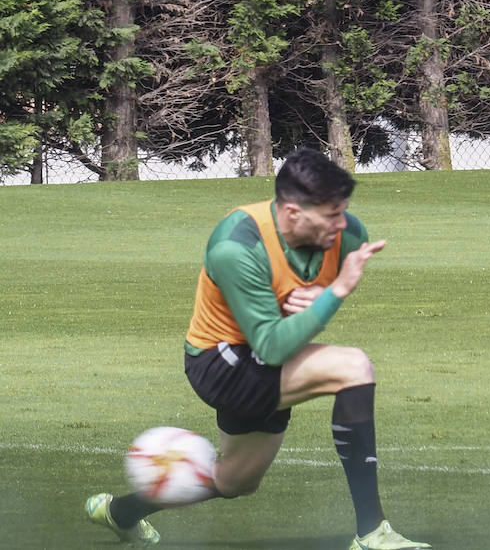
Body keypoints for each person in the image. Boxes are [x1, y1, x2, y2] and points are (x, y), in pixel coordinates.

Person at [86, 147, 429, 549]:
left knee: (236, 480)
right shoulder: (237, 245)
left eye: (343, 211)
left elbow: (297, 313)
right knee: (352, 367)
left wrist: (318, 295)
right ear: (292, 212)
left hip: (263, 359)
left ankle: (121, 513)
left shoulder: (349, 236)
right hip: (219, 363)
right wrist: (333, 292)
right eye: (330, 214)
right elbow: (272, 343)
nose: (342, 223)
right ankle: (372, 533)